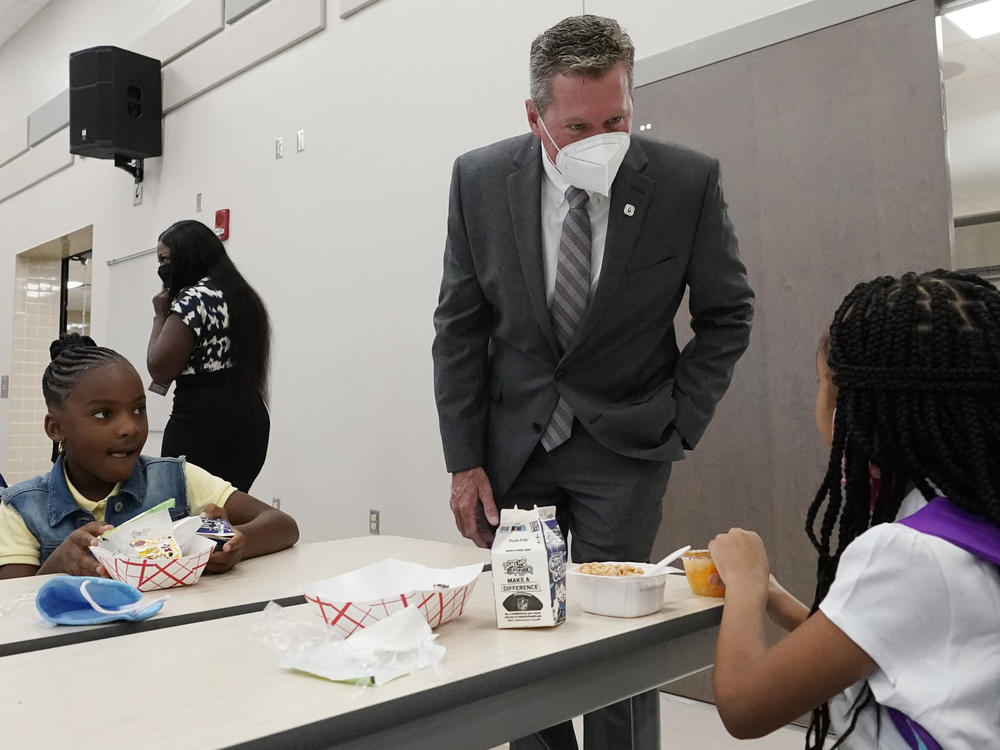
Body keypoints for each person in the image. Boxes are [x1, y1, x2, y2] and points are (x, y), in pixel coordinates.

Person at [431, 14, 754, 750]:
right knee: (527, 630)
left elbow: (727, 313)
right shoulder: (479, 180)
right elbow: (459, 326)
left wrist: (681, 416)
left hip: (626, 445)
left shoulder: (684, 181)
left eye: (617, 118)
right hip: (515, 450)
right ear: (534, 115)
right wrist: (463, 458)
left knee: (620, 642)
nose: (601, 140)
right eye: (577, 127)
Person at [708, 271, 1000, 749]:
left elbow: (744, 706)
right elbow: (880, 642)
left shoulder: (908, 553)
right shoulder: (970, 518)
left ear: (857, 411)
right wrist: (776, 601)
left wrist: (744, 582)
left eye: (826, 384)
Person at [0, 334, 298, 579]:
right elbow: (13, 609)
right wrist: (57, 566)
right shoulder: (22, 508)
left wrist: (230, 542)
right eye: (104, 414)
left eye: (138, 410)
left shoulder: (176, 477)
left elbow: (283, 525)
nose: (130, 428)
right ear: (56, 428)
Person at [148, 219, 271, 492]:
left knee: (187, 514)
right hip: (249, 418)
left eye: (165, 260)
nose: (162, 269)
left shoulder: (195, 297)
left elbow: (159, 368)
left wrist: (160, 315)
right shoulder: (243, 296)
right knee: (228, 512)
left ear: (188, 256)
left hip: (202, 421)